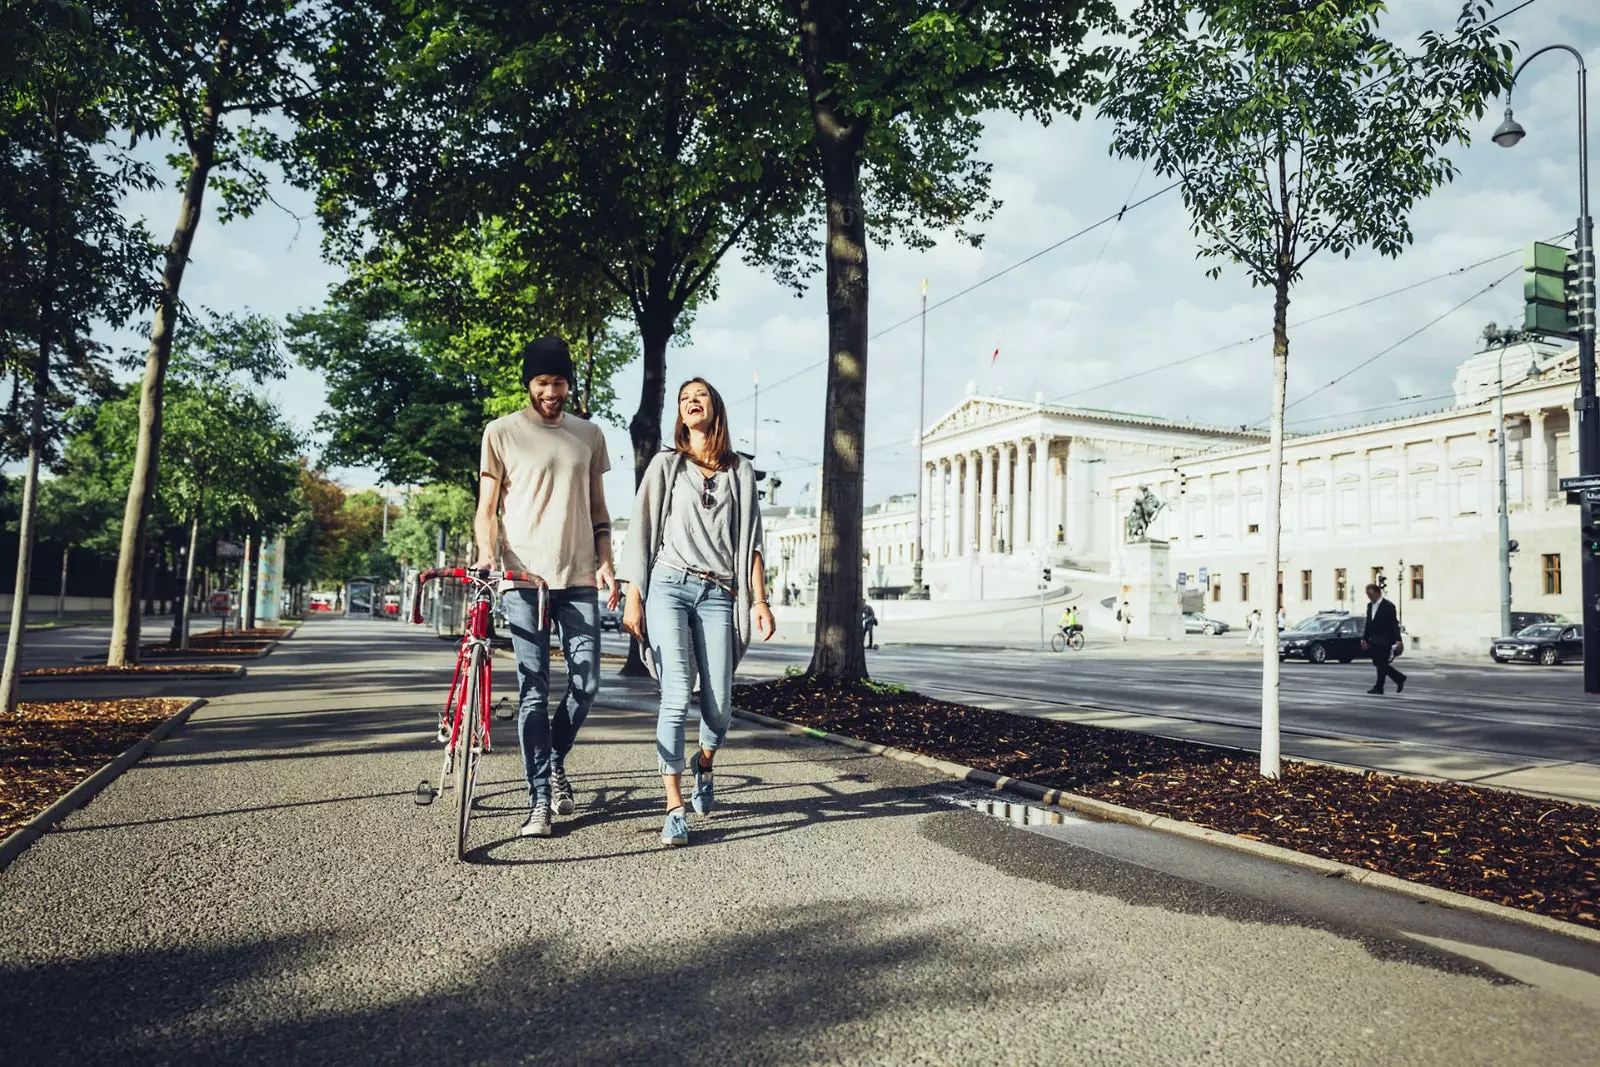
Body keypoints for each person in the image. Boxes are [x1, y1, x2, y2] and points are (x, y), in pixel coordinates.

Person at [621, 377, 776, 847]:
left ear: (715, 409)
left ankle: (703, 763)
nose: (692, 402)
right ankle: (673, 806)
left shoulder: (740, 472)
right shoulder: (667, 465)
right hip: (668, 584)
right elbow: (641, 529)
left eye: (701, 396)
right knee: (675, 695)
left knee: (720, 703)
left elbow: (751, 543)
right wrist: (633, 594)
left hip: (718, 593)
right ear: (680, 414)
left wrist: (761, 601)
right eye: (686, 398)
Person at [475, 337, 618, 839]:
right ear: (528, 384)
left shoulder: (589, 435)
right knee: (532, 690)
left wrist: (607, 562)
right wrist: (488, 554)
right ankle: (539, 797)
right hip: (522, 579)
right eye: (542, 383)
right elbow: (486, 508)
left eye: (559, 383)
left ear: (568, 384)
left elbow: (599, 510)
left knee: (588, 684)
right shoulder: (501, 432)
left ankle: (554, 756)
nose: (551, 392)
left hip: (578, 578)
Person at [1360, 582, 1406, 694]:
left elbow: (1393, 624)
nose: (1369, 597)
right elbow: (1368, 623)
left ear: (1378, 593)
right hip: (1374, 639)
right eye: (1367, 595)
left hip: (1385, 639)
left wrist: (1398, 640)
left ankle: (1381, 686)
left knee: (1380, 663)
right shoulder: (1370, 606)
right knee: (1380, 663)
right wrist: (1364, 638)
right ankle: (1395, 679)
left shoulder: (1388, 606)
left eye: (1370, 595)